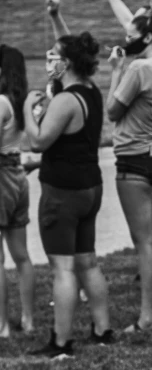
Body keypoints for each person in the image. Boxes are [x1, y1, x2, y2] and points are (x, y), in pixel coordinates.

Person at [23, 32, 113, 359]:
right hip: (90, 186)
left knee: (62, 268)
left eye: (53, 56)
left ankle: (61, 342)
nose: (48, 61)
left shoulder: (65, 99)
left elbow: (38, 141)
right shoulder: (91, 92)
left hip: (63, 194)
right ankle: (103, 330)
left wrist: (26, 109)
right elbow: (72, 142)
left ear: (68, 62)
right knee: (87, 261)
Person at [106, 9, 152, 332]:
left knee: (145, 243)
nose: (127, 41)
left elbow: (112, 110)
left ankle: (148, 317)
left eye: (131, 35)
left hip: (132, 158)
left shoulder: (138, 68)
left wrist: (115, 70)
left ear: (147, 37)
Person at [0, 44, 35, 338]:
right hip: (18, 176)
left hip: (0, 178)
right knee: (22, 256)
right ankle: (28, 318)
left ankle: (2, 326)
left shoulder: (1, 102)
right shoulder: (22, 101)